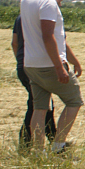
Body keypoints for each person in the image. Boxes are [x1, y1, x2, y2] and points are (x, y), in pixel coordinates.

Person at [19, 0, 83, 153]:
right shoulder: (47, 3)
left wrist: (56, 2)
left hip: (31, 64)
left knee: (40, 109)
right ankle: (58, 146)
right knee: (74, 101)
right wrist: (59, 67)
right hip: (49, 64)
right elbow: (49, 36)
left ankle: (38, 151)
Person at [13, 14, 57, 145]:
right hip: (37, 65)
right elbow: (49, 39)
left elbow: (14, 43)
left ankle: (53, 139)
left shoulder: (21, 17)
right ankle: (27, 143)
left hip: (24, 65)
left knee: (40, 103)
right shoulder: (42, 17)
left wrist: (21, 61)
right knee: (39, 105)